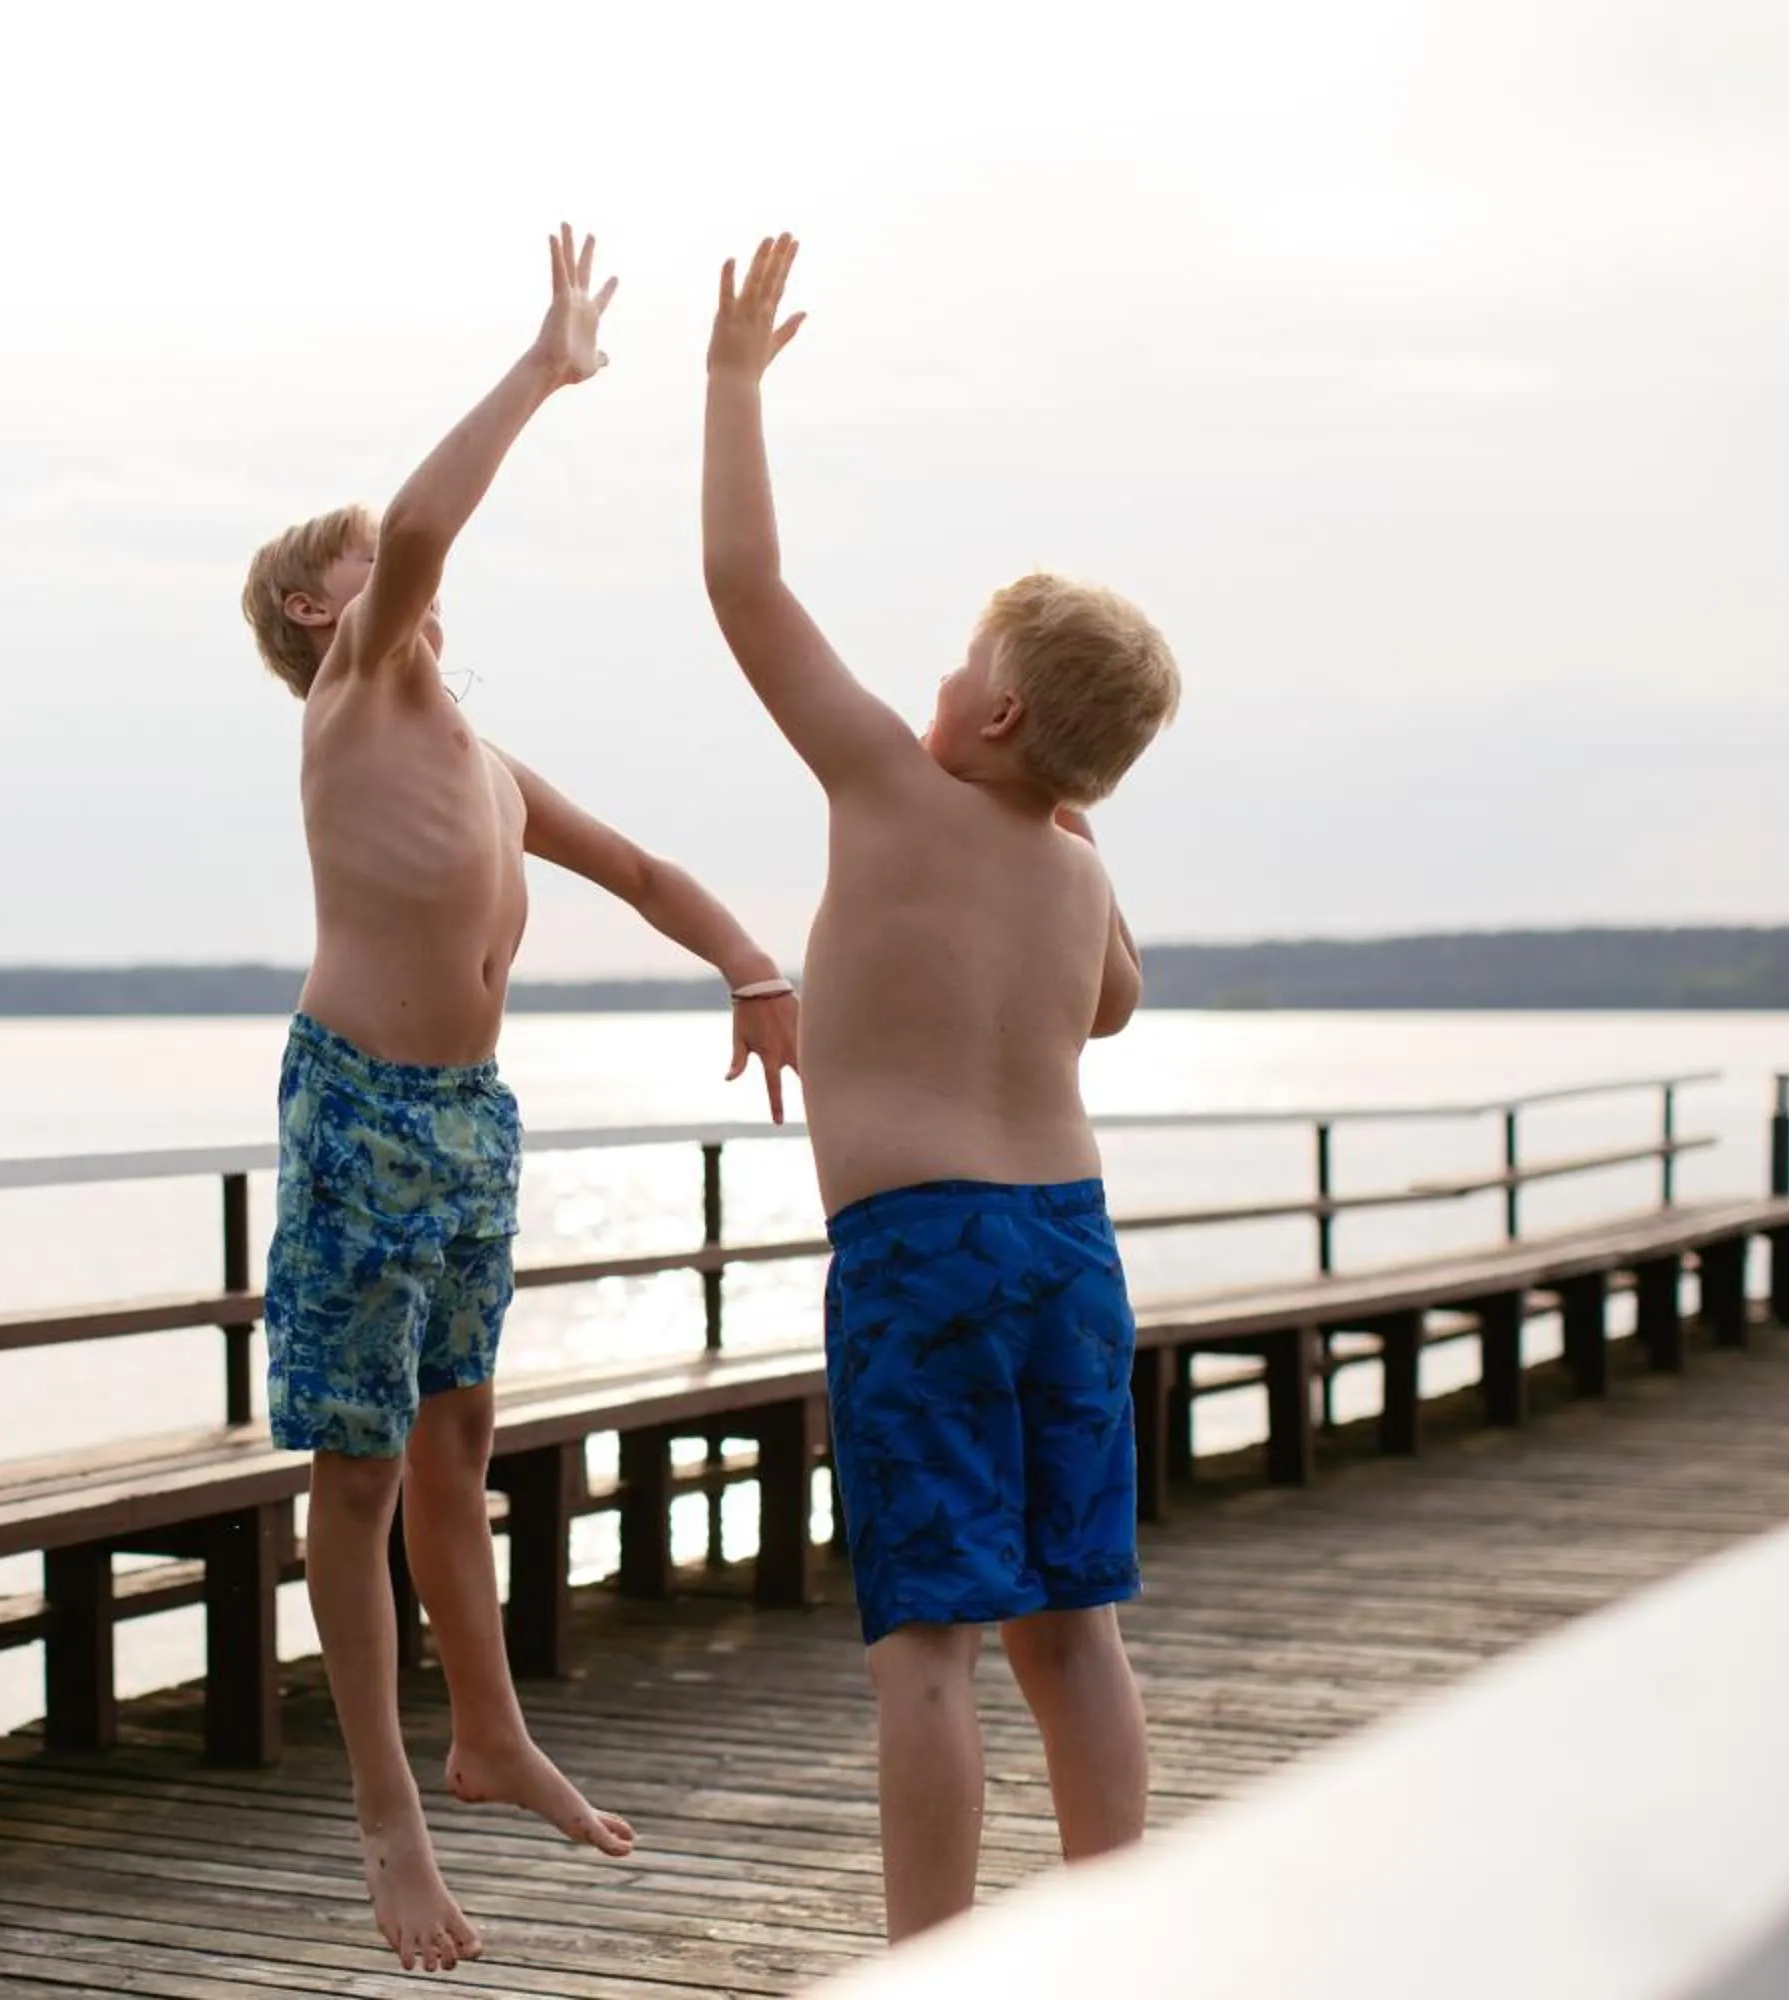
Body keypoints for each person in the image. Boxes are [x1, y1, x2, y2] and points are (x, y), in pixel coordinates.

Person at [238, 225, 803, 1972]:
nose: (402, 572)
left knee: (456, 1446)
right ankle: (390, 1821)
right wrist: (546, 369)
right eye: (362, 562)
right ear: (320, 611)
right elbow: (420, 526)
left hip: (474, 1125)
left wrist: (754, 969)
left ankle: (486, 1735)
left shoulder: (474, 751)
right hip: (360, 1114)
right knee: (352, 1476)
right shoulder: (346, 695)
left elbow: (633, 863)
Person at [696, 232, 1180, 1941]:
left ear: (999, 708)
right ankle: (1116, 1942)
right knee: (1076, 1624)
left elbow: (747, 592)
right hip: (1073, 1247)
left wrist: (734, 385)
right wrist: (1078, 816)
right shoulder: (1074, 868)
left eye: (966, 658)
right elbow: (1111, 1011)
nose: (937, 676)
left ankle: (935, 1968)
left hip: (923, 1252)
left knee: (932, 1641)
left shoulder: (893, 791)